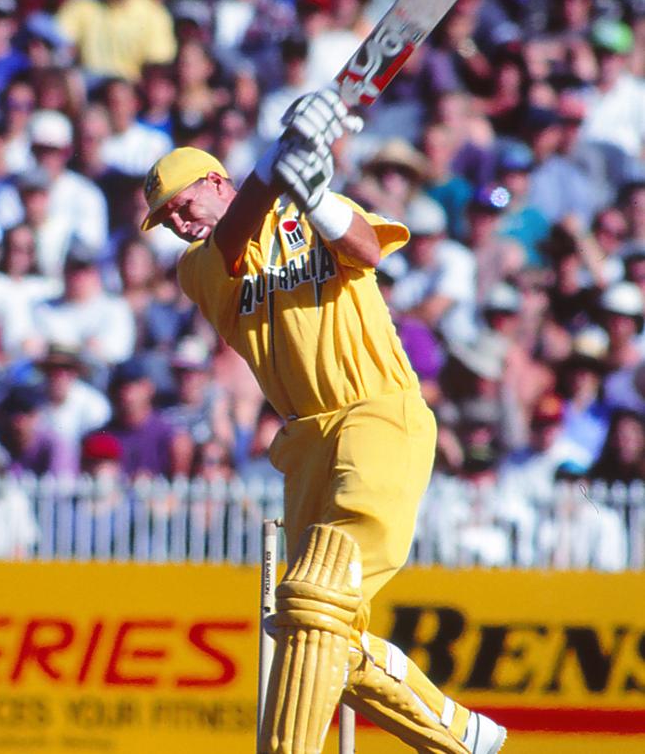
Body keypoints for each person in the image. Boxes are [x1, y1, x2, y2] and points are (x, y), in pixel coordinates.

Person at [140, 88, 507, 754]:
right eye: (165, 219)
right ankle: (462, 737)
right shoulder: (201, 266)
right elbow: (232, 231)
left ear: (214, 181)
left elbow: (366, 249)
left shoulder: (305, 210)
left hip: (378, 411)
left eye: (182, 205)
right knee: (320, 627)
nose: (177, 223)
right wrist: (278, 160)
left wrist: (311, 193)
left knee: (313, 595)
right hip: (306, 441)